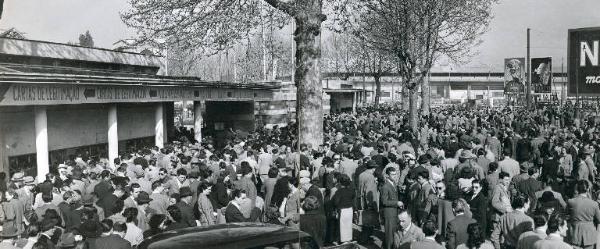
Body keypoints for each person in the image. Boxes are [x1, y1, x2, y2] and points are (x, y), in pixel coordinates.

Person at [566, 180, 600, 249]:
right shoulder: (594, 203)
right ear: (588, 189)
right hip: (589, 234)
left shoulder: (571, 201)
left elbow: (567, 214)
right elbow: (599, 219)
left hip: (575, 233)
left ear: (577, 189)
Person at [380, 167, 402, 249]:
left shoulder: (393, 184)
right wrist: (397, 203)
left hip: (394, 212)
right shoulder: (385, 186)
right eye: (392, 174)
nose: (395, 176)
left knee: (393, 233)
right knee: (389, 235)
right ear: (387, 175)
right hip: (389, 213)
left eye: (395, 174)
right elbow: (384, 202)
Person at [331, 174, 354, 244]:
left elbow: (336, 202)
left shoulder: (339, 191)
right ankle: (348, 239)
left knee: (341, 225)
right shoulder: (351, 190)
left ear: (340, 183)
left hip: (342, 210)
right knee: (348, 225)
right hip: (350, 209)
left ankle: (342, 240)